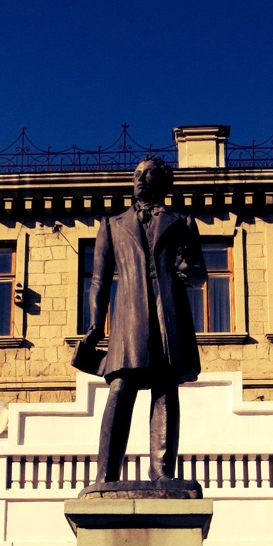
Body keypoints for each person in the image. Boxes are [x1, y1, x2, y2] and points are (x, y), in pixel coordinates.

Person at [76, 155, 205, 483]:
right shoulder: (112, 224)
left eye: (148, 174)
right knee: (121, 387)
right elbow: (99, 281)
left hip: (168, 315)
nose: (139, 179)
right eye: (137, 174)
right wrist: (95, 326)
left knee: (165, 389)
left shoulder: (182, 222)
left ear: (164, 182)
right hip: (129, 317)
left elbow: (199, 275)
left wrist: (189, 270)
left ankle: (162, 474)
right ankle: (105, 476)